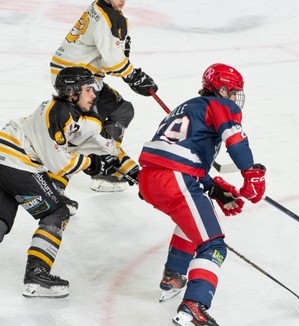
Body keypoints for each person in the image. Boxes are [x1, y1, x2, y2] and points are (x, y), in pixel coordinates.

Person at [138, 63, 266, 326]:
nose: (234, 99)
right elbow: (235, 140)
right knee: (213, 245)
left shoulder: (185, 107)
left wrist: (214, 188)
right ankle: (194, 304)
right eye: (232, 92)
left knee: (190, 221)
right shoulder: (221, 106)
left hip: (150, 179)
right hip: (175, 178)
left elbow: (179, 155)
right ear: (221, 89)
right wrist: (250, 173)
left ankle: (173, 275)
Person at [0, 67, 139, 298]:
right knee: (56, 213)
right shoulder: (58, 112)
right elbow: (59, 165)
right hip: (17, 161)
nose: (93, 95)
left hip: (6, 157)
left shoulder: (77, 118)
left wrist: (136, 173)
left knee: (2, 216)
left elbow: (108, 148)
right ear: (72, 92)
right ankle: (37, 272)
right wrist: (92, 165)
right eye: (88, 89)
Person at [49, 0, 157, 199]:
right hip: (76, 80)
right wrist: (134, 76)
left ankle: (106, 163)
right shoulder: (110, 17)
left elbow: (108, 60)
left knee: (122, 110)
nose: (122, 0)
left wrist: (121, 60)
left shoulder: (103, 9)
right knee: (85, 132)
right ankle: (58, 184)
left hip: (80, 74)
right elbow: (112, 62)